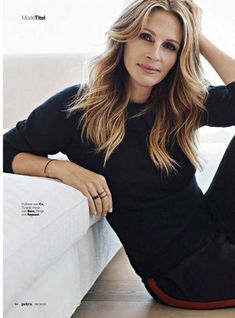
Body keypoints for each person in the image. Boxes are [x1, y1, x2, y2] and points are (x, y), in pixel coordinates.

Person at [3, 0, 235, 309]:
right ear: (123, 37)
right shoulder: (78, 107)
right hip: (181, 274)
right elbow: (7, 149)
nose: (155, 55)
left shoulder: (178, 103)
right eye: (146, 37)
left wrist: (197, 35)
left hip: (216, 228)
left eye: (170, 46)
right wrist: (59, 168)